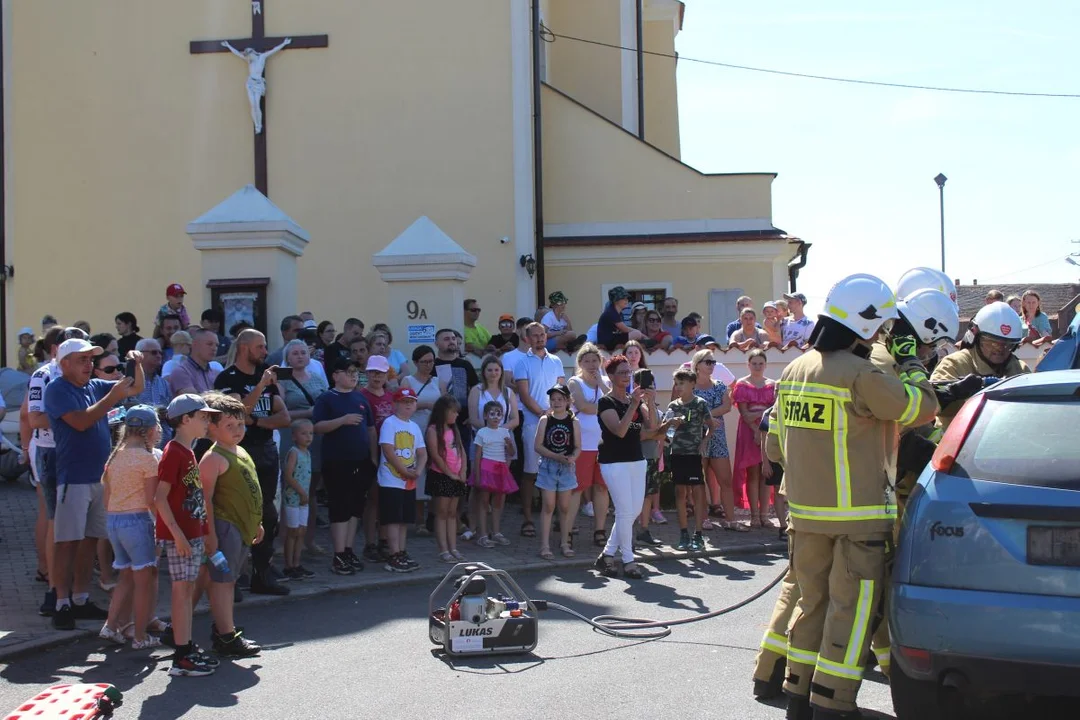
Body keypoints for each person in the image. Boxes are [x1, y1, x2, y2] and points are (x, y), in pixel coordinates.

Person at [765, 273, 937, 719]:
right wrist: (913, 364)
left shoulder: (794, 370)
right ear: (865, 326)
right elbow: (922, 408)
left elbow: (774, 446)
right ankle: (833, 702)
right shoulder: (862, 374)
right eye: (881, 328)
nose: (883, 336)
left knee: (811, 605)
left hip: (804, 516)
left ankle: (798, 695)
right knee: (854, 610)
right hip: (857, 519)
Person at [45, 339, 145, 630]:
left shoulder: (95, 386)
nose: (89, 365)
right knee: (67, 543)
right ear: (64, 364)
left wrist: (136, 363)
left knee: (90, 541)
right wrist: (112, 396)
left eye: (91, 360)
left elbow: (135, 388)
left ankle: (80, 598)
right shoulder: (57, 389)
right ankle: (61, 602)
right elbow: (80, 422)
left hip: (99, 477)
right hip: (72, 478)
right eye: (82, 360)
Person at [214, 329, 291, 596]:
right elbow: (238, 413)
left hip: (266, 451)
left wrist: (257, 422)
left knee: (267, 514)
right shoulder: (227, 379)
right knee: (236, 515)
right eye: (260, 347)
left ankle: (262, 574)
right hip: (238, 454)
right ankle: (232, 579)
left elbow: (284, 416)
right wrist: (259, 389)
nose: (264, 352)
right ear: (245, 348)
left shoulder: (266, 378)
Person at [154, 393, 220, 676]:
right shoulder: (173, 452)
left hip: (192, 534)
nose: (207, 422)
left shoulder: (188, 451)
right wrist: (178, 535)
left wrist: (203, 531)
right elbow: (159, 497)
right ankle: (181, 656)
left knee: (187, 591)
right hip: (180, 536)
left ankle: (186, 646)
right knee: (181, 593)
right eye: (202, 417)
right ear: (185, 419)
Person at [196, 392, 262, 658]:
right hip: (225, 528)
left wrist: (256, 522)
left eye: (241, 424)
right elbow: (205, 500)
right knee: (223, 582)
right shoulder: (212, 458)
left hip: (241, 527)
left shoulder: (241, 450)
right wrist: (210, 535)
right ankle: (226, 635)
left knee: (228, 580)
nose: (237, 431)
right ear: (211, 428)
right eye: (229, 426)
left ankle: (223, 627)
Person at [99, 406, 162, 650]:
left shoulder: (116, 456)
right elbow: (151, 500)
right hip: (137, 522)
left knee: (125, 577)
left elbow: (107, 499)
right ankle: (140, 637)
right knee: (143, 582)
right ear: (150, 430)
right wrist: (164, 524)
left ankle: (110, 625)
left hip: (114, 521)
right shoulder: (147, 459)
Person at [593, 355, 657, 580]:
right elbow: (619, 431)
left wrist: (649, 401)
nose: (627, 376)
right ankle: (628, 560)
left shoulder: (634, 401)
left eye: (628, 372)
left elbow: (651, 428)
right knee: (624, 511)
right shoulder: (606, 402)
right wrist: (633, 405)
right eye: (622, 373)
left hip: (636, 460)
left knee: (634, 511)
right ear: (610, 376)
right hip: (614, 462)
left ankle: (607, 554)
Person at [312, 358, 376, 575]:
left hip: (361, 460)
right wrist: (342, 420)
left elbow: (370, 429)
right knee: (340, 508)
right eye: (348, 372)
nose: (353, 375)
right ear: (335, 375)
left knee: (355, 507)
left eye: (356, 372)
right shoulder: (327, 398)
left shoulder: (360, 397)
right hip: (337, 461)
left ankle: (348, 550)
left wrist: (373, 457)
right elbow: (318, 426)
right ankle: (338, 554)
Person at [931, 301, 1029, 431]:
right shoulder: (954, 364)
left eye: (1007, 344)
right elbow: (929, 406)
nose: (999, 349)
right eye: (991, 343)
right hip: (957, 444)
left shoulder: (1021, 370)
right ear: (975, 338)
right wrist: (953, 392)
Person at [513, 323, 565, 539]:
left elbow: (561, 390)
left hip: (557, 423)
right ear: (527, 339)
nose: (539, 338)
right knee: (531, 472)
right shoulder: (521, 362)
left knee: (556, 472)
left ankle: (555, 519)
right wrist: (545, 414)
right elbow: (524, 395)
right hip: (533, 423)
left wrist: (557, 414)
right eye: (534, 335)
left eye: (542, 334)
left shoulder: (556, 360)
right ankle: (527, 519)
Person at [690, 349, 744, 531]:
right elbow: (680, 408)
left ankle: (730, 519)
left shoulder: (720, 385)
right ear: (697, 365)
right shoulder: (689, 386)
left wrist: (706, 415)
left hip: (717, 437)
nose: (712, 365)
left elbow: (727, 406)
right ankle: (703, 518)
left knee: (725, 480)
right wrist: (707, 418)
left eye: (713, 362)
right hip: (697, 437)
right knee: (699, 480)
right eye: (708, 362)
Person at [377, 387, 427, 573]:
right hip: (391, 479)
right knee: (393, 519)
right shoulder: (390, 423)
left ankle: (402, 551)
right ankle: (393, 554)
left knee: (404, 519)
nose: (408, 406)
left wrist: (418, 470)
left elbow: (422, 453)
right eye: (404, 402)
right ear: (395, 404)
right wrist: (403, 470)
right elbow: (388, 450)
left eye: (411, 402)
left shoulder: (413, 426)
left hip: (408, 481)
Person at [567, 343, 610, 546]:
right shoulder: (574, 382)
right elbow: (583, 406)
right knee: (577, 488)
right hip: (582, 445)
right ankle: (568, 529)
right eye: (587, 361)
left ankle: (600, 530)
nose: (592, 365)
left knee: (601, 488)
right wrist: (604, 408)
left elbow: (615, 403)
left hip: (604, 445)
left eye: (595, 360)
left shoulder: (606, 382)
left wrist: (601, 382)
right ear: (580, 363)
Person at [665, 367, 711, 552]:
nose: (678, 387)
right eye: (676, 383)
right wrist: (670, 426)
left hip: (693, 455)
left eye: (682, 383)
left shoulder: (700, 403)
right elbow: (667, 433)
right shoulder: (673, 406)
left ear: (692, 384)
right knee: (679, 492)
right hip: (677, 454)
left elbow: (711, 426)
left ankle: (698, 534)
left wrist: (704, 442)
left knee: (698, 492)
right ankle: (684, 533)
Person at [403, 345, 447, 534]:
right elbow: (403, 405)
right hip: (414, 432)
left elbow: (446, 405)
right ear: (415, 362)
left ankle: (435, 517)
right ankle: (419, 520)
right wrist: (425, 404)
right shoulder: (408, 380)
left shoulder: (438, 381)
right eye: (424, 362)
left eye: (431, 361)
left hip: (435, 432)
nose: (428, 365)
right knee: (418, 474)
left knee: (436, 472)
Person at [731, 349, 777, 529]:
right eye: (754, 363)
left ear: (765, 365)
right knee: (752, 473)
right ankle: (754, 515)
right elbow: (744, 413)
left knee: (767, 474)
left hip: (767, 431)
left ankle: (765, 515)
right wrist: (756, 429)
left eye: (760, 363)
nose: (757, 366)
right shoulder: (742, 385)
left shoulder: (772, 385)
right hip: (748, 432)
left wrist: (761, 427)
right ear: (748, 365)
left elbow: (773, 412)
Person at [533, 385, 580, 559]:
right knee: (548, 506)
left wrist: (572, 457)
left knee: (565, 507)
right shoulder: (545, 420)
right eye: (553, 399)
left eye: (560, 399)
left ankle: (565, 543)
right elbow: (537, 446)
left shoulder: (573, 422)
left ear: (568, 401)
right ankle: (545, 545)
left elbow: (577, 447)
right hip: (548, 466)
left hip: (566, 468)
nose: (556, 402)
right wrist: (555, 456)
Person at [425, 395, 468, 562]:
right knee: (441, 513)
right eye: (453, 412)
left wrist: (463, 470)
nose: (456, 415)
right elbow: (435, 455)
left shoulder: (454, 429)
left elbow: (462, 451)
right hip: (441, 476)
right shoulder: (433, 430)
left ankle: (453, 547)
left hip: (456, 476)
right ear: (443, 412)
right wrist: (448, 473)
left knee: (452, 513)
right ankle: (443, 549)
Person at [473, 400, 518, 548]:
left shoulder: (505, 432)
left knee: (498, 502)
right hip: (486, 467)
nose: (495, 417)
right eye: (492, 414)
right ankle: (483, 534)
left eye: (499, 414)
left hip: (500, 469)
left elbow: (511, 454)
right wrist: (478, 475)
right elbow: (478, 455)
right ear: (485, 416)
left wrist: (510, 444)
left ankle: (496, 532)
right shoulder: (482, 432)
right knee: (484, 502)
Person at [635, 368, 669, 548]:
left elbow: (658, 430)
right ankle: (630, 533)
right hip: (636, 458)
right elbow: (641, 435)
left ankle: (644, 530)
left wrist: (651, 400)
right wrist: (654, 433)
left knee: (648, 496)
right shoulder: (632, 406)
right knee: (634, 498)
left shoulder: (653, 406)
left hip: (652, 457)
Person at [282, 420, 315, 580]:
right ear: (294, 436)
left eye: (311, 433)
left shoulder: (307, 453)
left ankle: (297, 563)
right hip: (294, 498)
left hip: (304, 499)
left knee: (301, 531)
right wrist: (301, 492)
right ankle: (289, 565)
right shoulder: (294, 452)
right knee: (293, 531)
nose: (308, 437)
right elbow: (288, 475)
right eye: (304, 433)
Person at [168, 329, 222, 396]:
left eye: (217, 345)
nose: (214, 348)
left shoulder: (216, 373)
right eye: (209, 344)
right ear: (194, 344)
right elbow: (194, 402)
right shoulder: (181, 372)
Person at [596, 286, 644, 351]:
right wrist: (641, 335)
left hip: (612, 339)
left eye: (627, 298)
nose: (627, 300)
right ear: (616, 300)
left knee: (637, 334)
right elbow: (625, 329)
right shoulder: (611, 312)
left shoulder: (617, 312)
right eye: (624, 298)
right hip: (608, 342)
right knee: (637, 334)